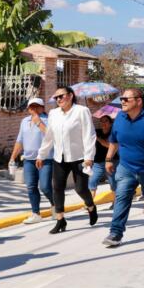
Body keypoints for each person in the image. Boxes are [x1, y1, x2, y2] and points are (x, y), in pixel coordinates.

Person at [102, 89, 144, 247]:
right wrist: (109, 159)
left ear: (139, 101)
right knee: (122, 197)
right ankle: (116, 232)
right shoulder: (120, 117)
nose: (122, 101)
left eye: (126, 99)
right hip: (126, 167)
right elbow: (114, 140)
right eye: (122, 98)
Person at [37, 87, 97, 234]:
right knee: (57, 187)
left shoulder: (81, 111)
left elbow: (89, 134)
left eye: (61, 96)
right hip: (60, 157)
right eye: (56, 98)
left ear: (70, 96)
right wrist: (41, 155)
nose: (58, 100)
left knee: (80, 189)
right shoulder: (53, 114)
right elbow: (49, 136)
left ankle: (91, 206)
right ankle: (60, 220)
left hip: (79, 157)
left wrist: (89, 157)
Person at [9, 98, 54, 224]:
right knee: (31, 187)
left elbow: (51, 136)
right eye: (31, 107)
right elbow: (20, 140)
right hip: (28, 160)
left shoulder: (49, 120)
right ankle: (36, 213)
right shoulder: (24, 121)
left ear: (42, 107)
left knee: (45, 187)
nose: (33, 109)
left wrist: (39, 122)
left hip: (46, 158)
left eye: (36, 106)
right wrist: (13, 157)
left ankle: (55, 206)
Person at [89, 115, 118, 205]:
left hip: (111, 161)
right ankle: (89, 204)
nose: (103, 123)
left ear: (110, 123)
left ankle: (115, 202)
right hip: (98, 162)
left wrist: (97, 138)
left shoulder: (113, 133)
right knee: (92, 181)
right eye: (101, 121)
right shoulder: (96, 132)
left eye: (105, 121)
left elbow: (109, 145)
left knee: (113, 182)